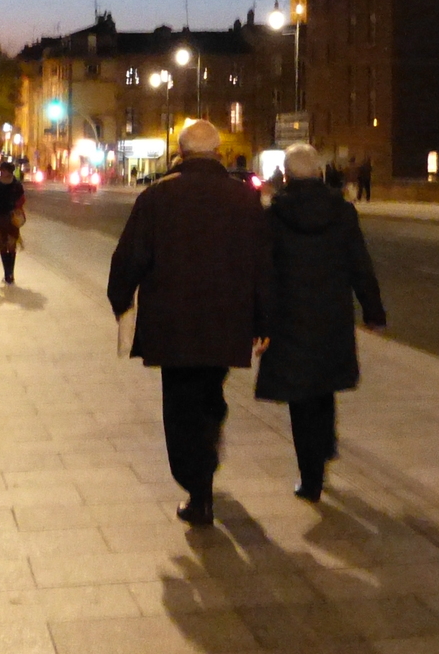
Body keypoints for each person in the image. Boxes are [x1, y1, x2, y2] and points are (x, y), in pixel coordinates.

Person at [109, 119, 270, 528]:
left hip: (172, 321)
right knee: (210, 389)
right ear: (218, 153)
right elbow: (263, 265)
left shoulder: (158, 196)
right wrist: (264, 318)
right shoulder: (244, 199)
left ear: (180, 153)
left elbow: (130, 257)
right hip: (226, 319)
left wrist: (120, 299)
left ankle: (197, 488)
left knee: (180, 403)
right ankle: (207, 447)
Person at [259, 143, 387, 503]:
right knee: (325, 386)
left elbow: (264, 273)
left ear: (286, 174)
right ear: (318, 172)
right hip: (331, 314)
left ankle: (310, 478)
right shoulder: (342, 212)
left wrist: (260, 321)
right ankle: (326, 443)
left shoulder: (274, 216)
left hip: (289, 317)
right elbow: (360, 264)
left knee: (300, 399)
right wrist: (373, 311)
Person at [0, 160, 26, 284]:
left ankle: (10, 272)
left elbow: (22, 199)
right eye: (2, 170)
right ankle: (7, 273)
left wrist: (17, 207)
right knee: (2, 246)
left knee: (11, 245)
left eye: (5, 170)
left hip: (11, 217)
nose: (3, 172)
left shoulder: (16, 185)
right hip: (0, 216)